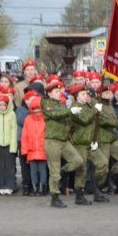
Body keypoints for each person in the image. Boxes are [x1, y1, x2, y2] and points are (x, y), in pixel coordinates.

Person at [42, 80, 85, 208]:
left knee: (78, 160)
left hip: (64, 140)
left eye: (59, 91)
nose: (59, 93)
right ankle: (54, 197)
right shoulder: (46, 103)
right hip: (52, 140)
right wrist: (70, 111)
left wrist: (74, 115)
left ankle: (63, 171)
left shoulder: (61, 104)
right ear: (49, 93)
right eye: (56, 91)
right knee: (54, 170)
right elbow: (54, 115)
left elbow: (66, 119)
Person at [0, 94, 18, 194]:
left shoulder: (12, 114)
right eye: (0, 104)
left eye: (4, 105)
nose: (2, 107)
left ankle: (9, 186)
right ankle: (1, 186)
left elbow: (14, 130)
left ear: (7, 105)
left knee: (9, 167)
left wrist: (13, 146)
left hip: (9, 145)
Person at [20, 94, 48, 195]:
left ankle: (42, 188)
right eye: (34, 108)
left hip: (42, 149)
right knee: (33, 171)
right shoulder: (28, 119)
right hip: (32, 149)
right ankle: (35, 187)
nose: (36, 111)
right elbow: (24, 135)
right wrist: (24, 149)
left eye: (38, 108)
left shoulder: (45, 119)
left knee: (42, 170)